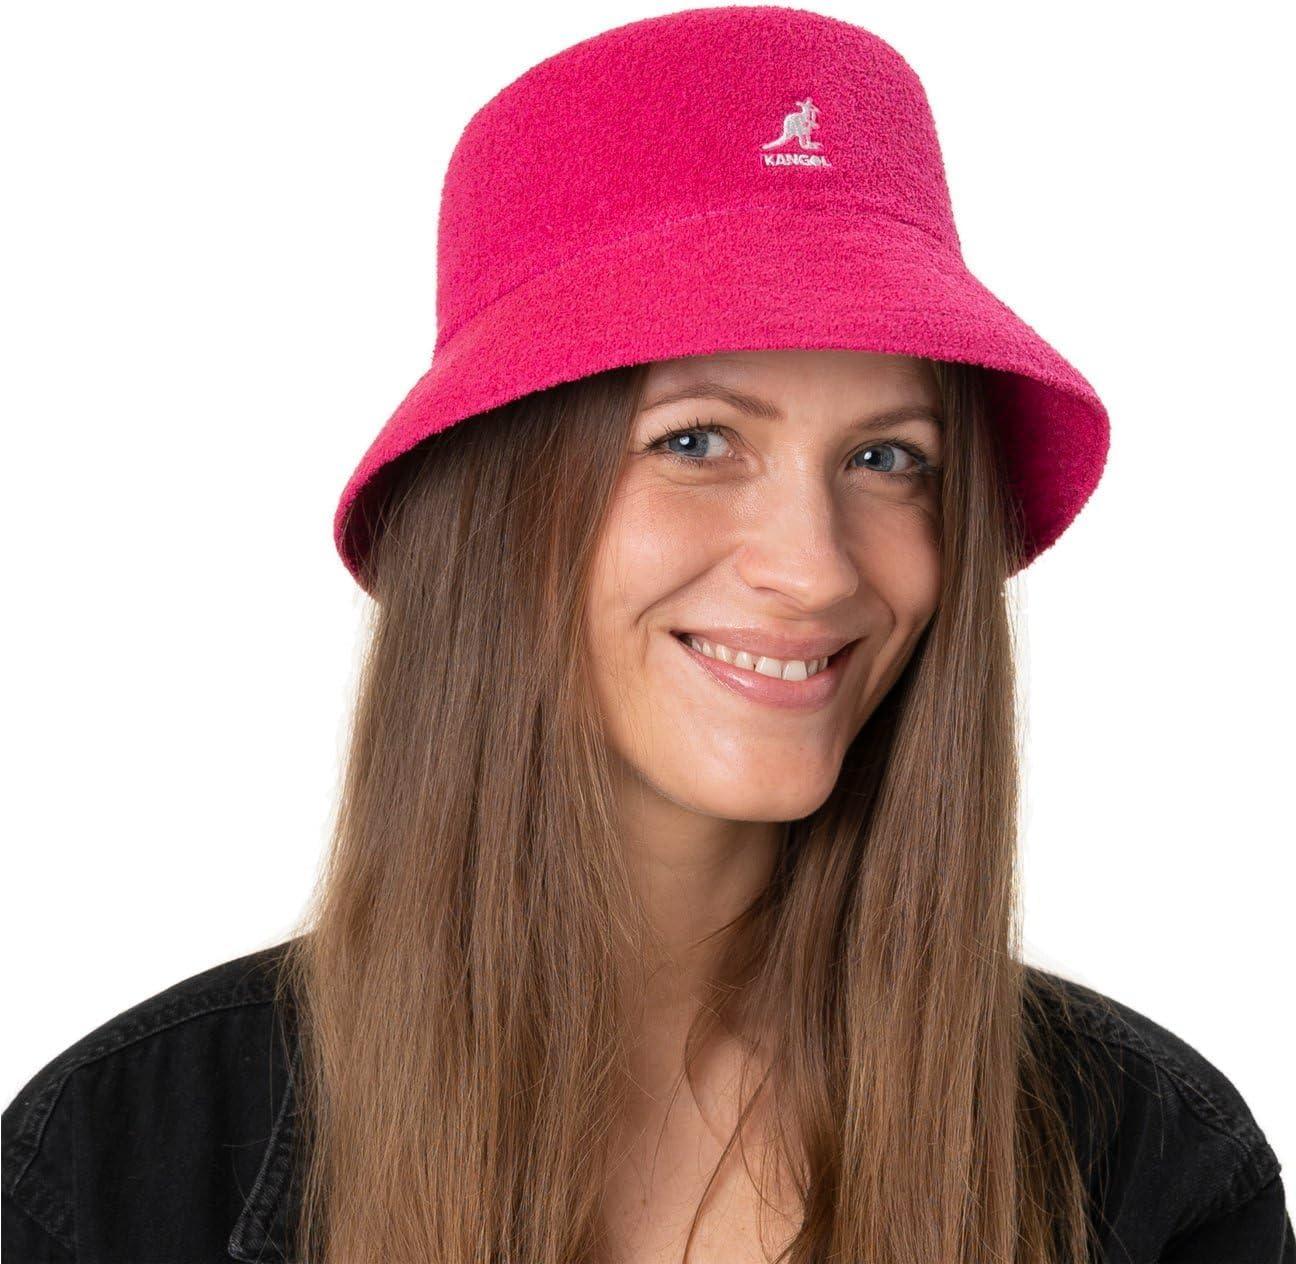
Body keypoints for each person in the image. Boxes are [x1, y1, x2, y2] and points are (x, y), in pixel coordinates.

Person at [3, 7, 1292, 1263]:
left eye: (889, 457)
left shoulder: (1151, 1171)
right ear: (491, 512)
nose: (813, 567)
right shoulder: (114, 1172)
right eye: (696, 440)